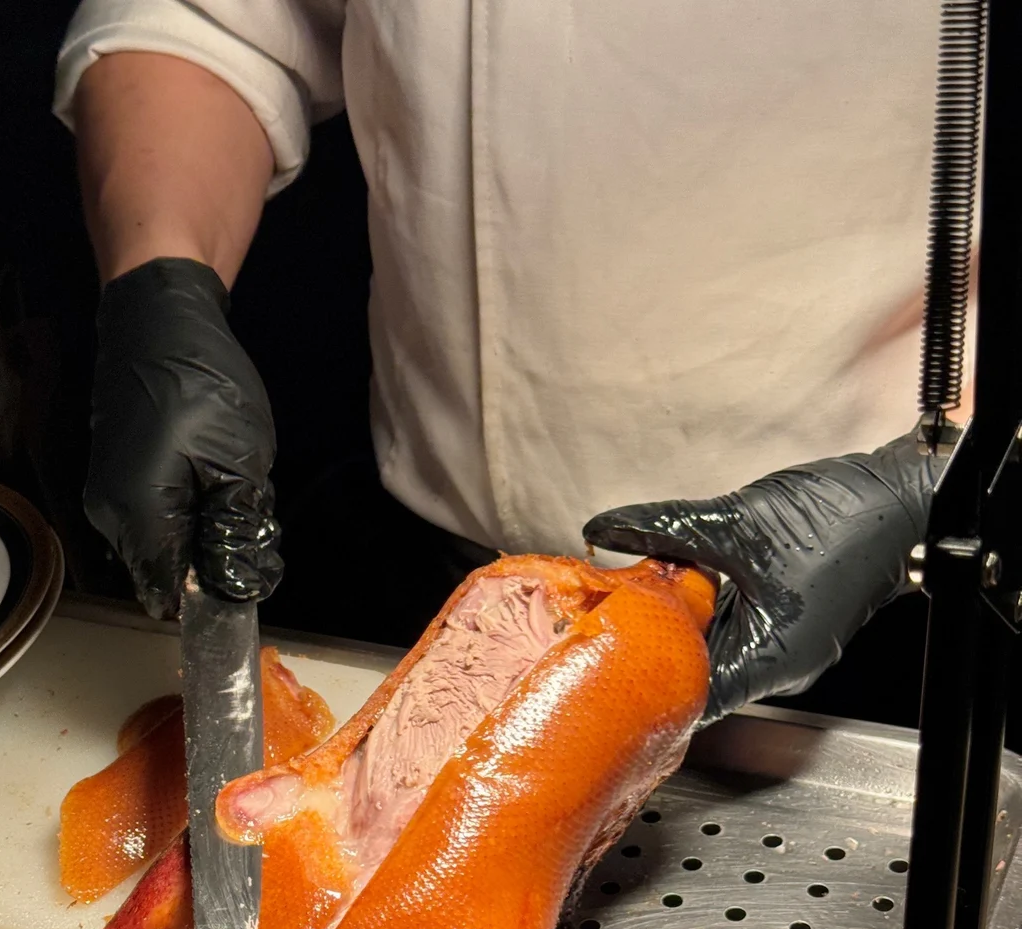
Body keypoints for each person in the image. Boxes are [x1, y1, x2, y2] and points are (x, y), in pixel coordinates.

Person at [55, 2, 943, 723]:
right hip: (429, 588)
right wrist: (160, 284)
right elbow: (214, 23)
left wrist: (926, 483)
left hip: (879, 610)